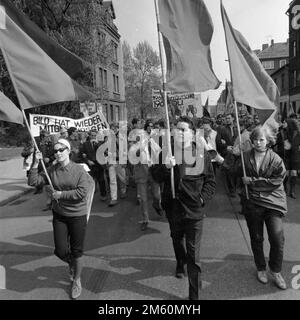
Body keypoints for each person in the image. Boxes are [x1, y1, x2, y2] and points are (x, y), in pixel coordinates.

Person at [152, 116, 216, 300]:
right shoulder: (166, 152)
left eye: (183, 130)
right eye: (176, 129)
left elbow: (211, 181)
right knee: (176, 240)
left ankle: (193, 296)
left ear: (193, 133)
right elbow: (155, 176)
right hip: (173, 208)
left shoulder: (202, 154)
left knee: (194, 254)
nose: (178, 132)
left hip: (194, 210)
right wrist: (165, 167)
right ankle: (180, 262)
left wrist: (202, 199)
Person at [28, 138, 95, 299]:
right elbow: (33, 181)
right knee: (60, 251)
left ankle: (77, 280)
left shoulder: (78, 170)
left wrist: (61, 194)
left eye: (61, 150)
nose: (57, 153)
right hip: (59, 215)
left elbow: (82, 192)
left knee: (77, 251)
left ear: (68, 151)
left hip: (77, 215)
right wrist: (36, 164)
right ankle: (72, 263)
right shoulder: (51, 169)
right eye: (55, 151)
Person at [237, 126, 287, 290]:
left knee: (277, 239)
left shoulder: (276, 159)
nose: (258, 143)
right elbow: (232, 173)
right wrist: (231, 155)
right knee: (257, 238)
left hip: (273, 202)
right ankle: (260, 268)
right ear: (251, 141)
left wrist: (252, 181)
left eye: (261, 140)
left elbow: (277, 180)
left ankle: (276, 270)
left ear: (268, 141)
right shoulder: (245, 157)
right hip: (253, 203)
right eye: (255, 140)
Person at [80, 130, 107, 202]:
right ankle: (89, 196)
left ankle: (103, 195)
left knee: (101, 180)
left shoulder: (100, 143)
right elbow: (82, 154)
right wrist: (88, 161)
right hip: (90, 165)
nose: (93, 137)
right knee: (90, 181)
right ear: (89, 135)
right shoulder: (85, 144)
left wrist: (97, 144)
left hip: (99, 165)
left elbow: (103, 152)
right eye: (92, 135)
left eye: (95, 135)